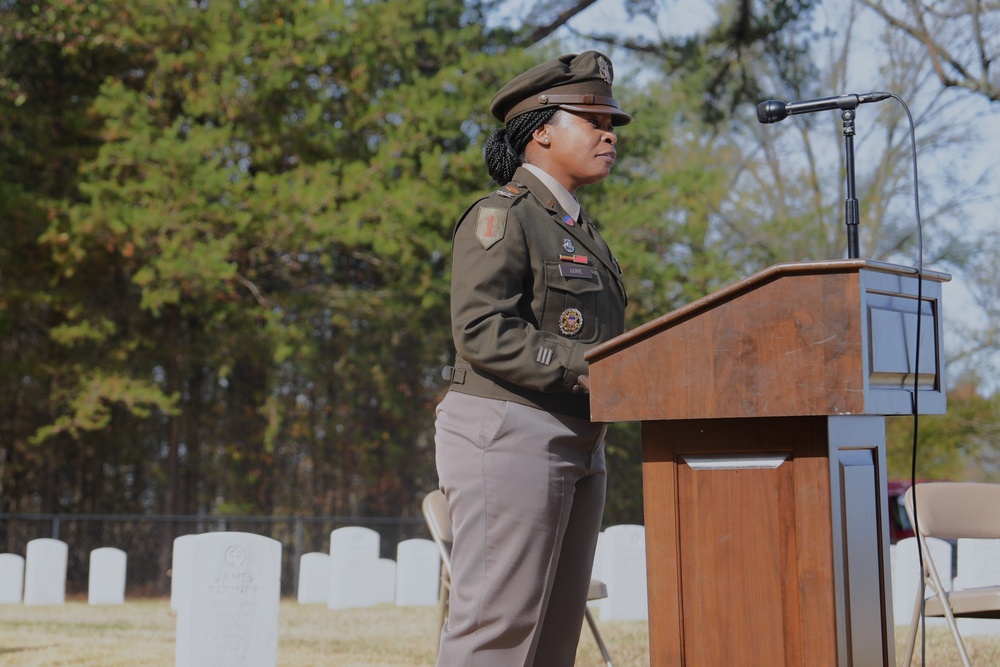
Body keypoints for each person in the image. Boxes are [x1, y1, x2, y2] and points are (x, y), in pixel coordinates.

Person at [433, 50, 632, 667]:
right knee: (497, 631)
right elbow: (482, 329)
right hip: (511, 430)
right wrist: (596, 368)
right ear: (541, 130)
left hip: (579, 436)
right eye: (593, 119)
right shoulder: (503, 216)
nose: (609, 134)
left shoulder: (580, 230)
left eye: (612, 122)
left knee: (551, 638)